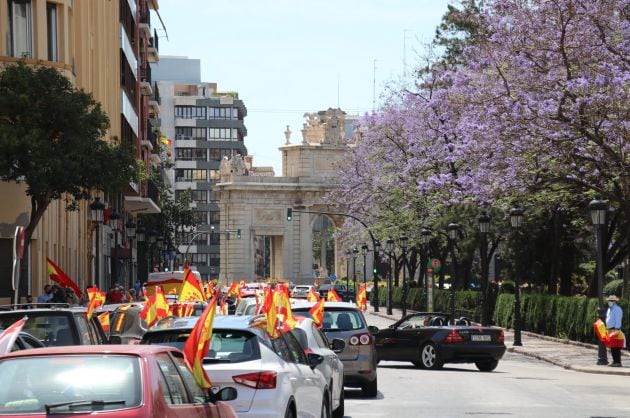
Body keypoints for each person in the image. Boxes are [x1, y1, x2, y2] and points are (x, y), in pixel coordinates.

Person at [606, 294, 623, 367]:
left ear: (615, 301)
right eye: (609, 300)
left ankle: (617, 362)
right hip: (610, 329)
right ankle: (614, 361)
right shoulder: (610, 309)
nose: (610, 302)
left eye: (611, 300)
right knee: (612, 347)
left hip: (615, 329)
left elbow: (618, 320)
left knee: (616, 347)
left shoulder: (617, 309)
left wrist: (616, 329)